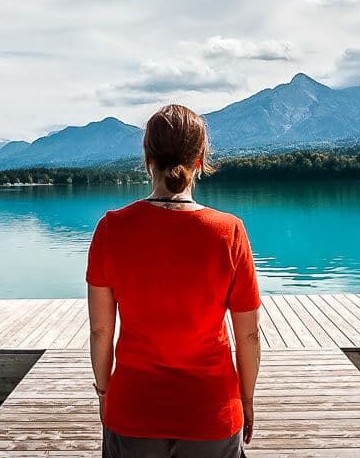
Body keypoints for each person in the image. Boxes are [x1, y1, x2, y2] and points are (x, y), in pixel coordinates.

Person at [86, 104, 262, 458]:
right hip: (212, 414)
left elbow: (101, 332)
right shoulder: (228, 232)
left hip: (132, 411)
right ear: (199, 160)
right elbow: (249, 335)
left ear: (148, 158)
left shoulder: (112, 228)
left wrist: (105, 394)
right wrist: (246, 400)